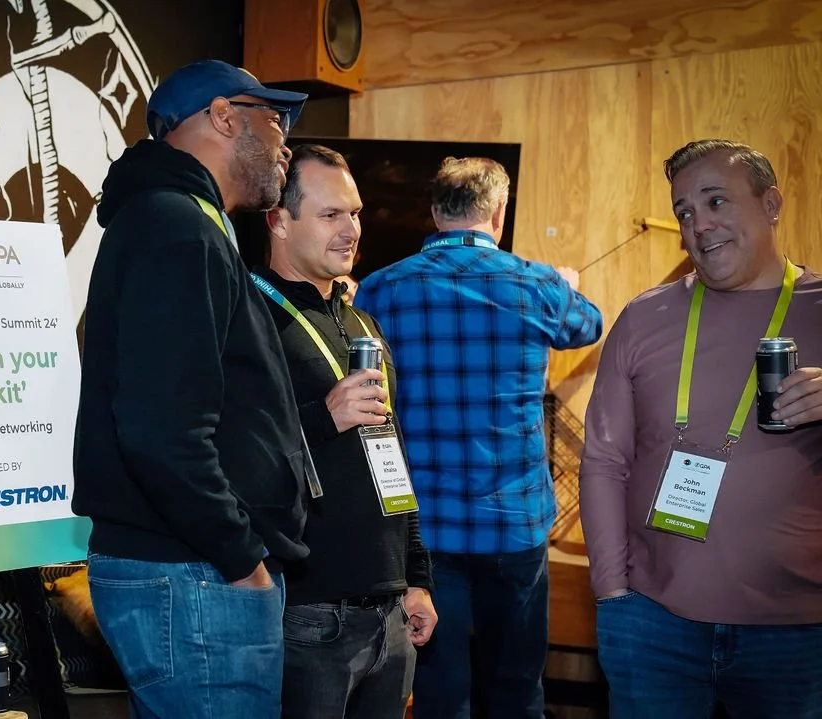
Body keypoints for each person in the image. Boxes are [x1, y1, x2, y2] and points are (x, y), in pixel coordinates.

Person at [72, 59, 311, 719]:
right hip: (196, 577)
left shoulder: (180, 221)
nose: (285, 142)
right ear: (224, 116)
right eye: (274, 118)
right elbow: (161, 431)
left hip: (190, 574)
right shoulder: (176, 226)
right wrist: (240, 559)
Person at [579, 139, 822, 718]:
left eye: (716, 201)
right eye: (684, 211)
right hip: (652, 623)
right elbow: (604, 461)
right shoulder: (645, 316)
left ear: (771, 205)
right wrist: (613, 593)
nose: (699, 224)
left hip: (798, 633)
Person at [356, 156, 603, 719]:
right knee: (515, 686)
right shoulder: (537, 283)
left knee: (438, 689)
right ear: (498, 212)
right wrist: (568, 284)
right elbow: (588, 324)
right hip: (513, 525)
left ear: (435, 211)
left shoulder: (381, 288)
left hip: (423, 530)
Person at [253, 144, 436, 719]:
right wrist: (321, 418)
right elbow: (234, 456)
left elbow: (391, 453)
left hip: (390, 611)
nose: (351, 229)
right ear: (280, 220)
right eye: (331, 214)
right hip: (308, 612)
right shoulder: (250, 317)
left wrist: (414, 578)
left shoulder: (362, 322)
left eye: (354, 213)